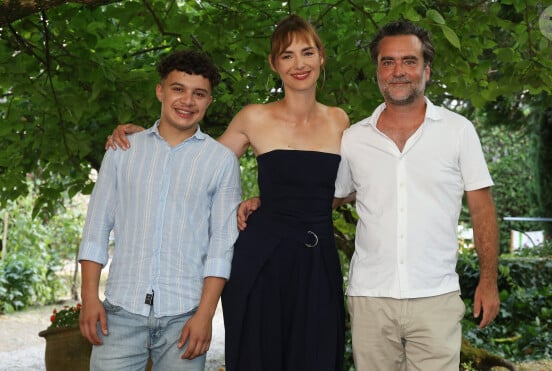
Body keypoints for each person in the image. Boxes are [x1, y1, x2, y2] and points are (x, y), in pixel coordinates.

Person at [105, 15, 349, 371]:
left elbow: (350, 189)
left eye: (307, 52)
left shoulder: (340, 120)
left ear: (321, 57)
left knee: (319, 356)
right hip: (261, 259)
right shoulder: (253, 117)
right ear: (273, 63)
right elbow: (198, 165)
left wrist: (275, 199)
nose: (299, 64)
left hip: (318, 259)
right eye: (287, 55)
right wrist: (147, 140)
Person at [333, 20, 500, 370]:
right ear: (377, 70)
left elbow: (482, 209)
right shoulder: (353, 138)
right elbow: (332, 196)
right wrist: (268, 201)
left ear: (426, 69)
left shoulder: (458, 132)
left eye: (409, 61)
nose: (398, 72)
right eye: (387, 62)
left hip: (436, 297)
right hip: (370, 297)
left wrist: (488, 281)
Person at [78, 50, 241, 371]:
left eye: (199, 94)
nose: (187, 101)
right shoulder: (122, 150)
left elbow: (221, 247)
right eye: (178, 89)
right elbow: (96, 227)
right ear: (161, 91)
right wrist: (90, 298)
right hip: (120, 312)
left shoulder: (221, 161)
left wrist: (205, 316)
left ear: (209, 101)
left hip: (184, 316)